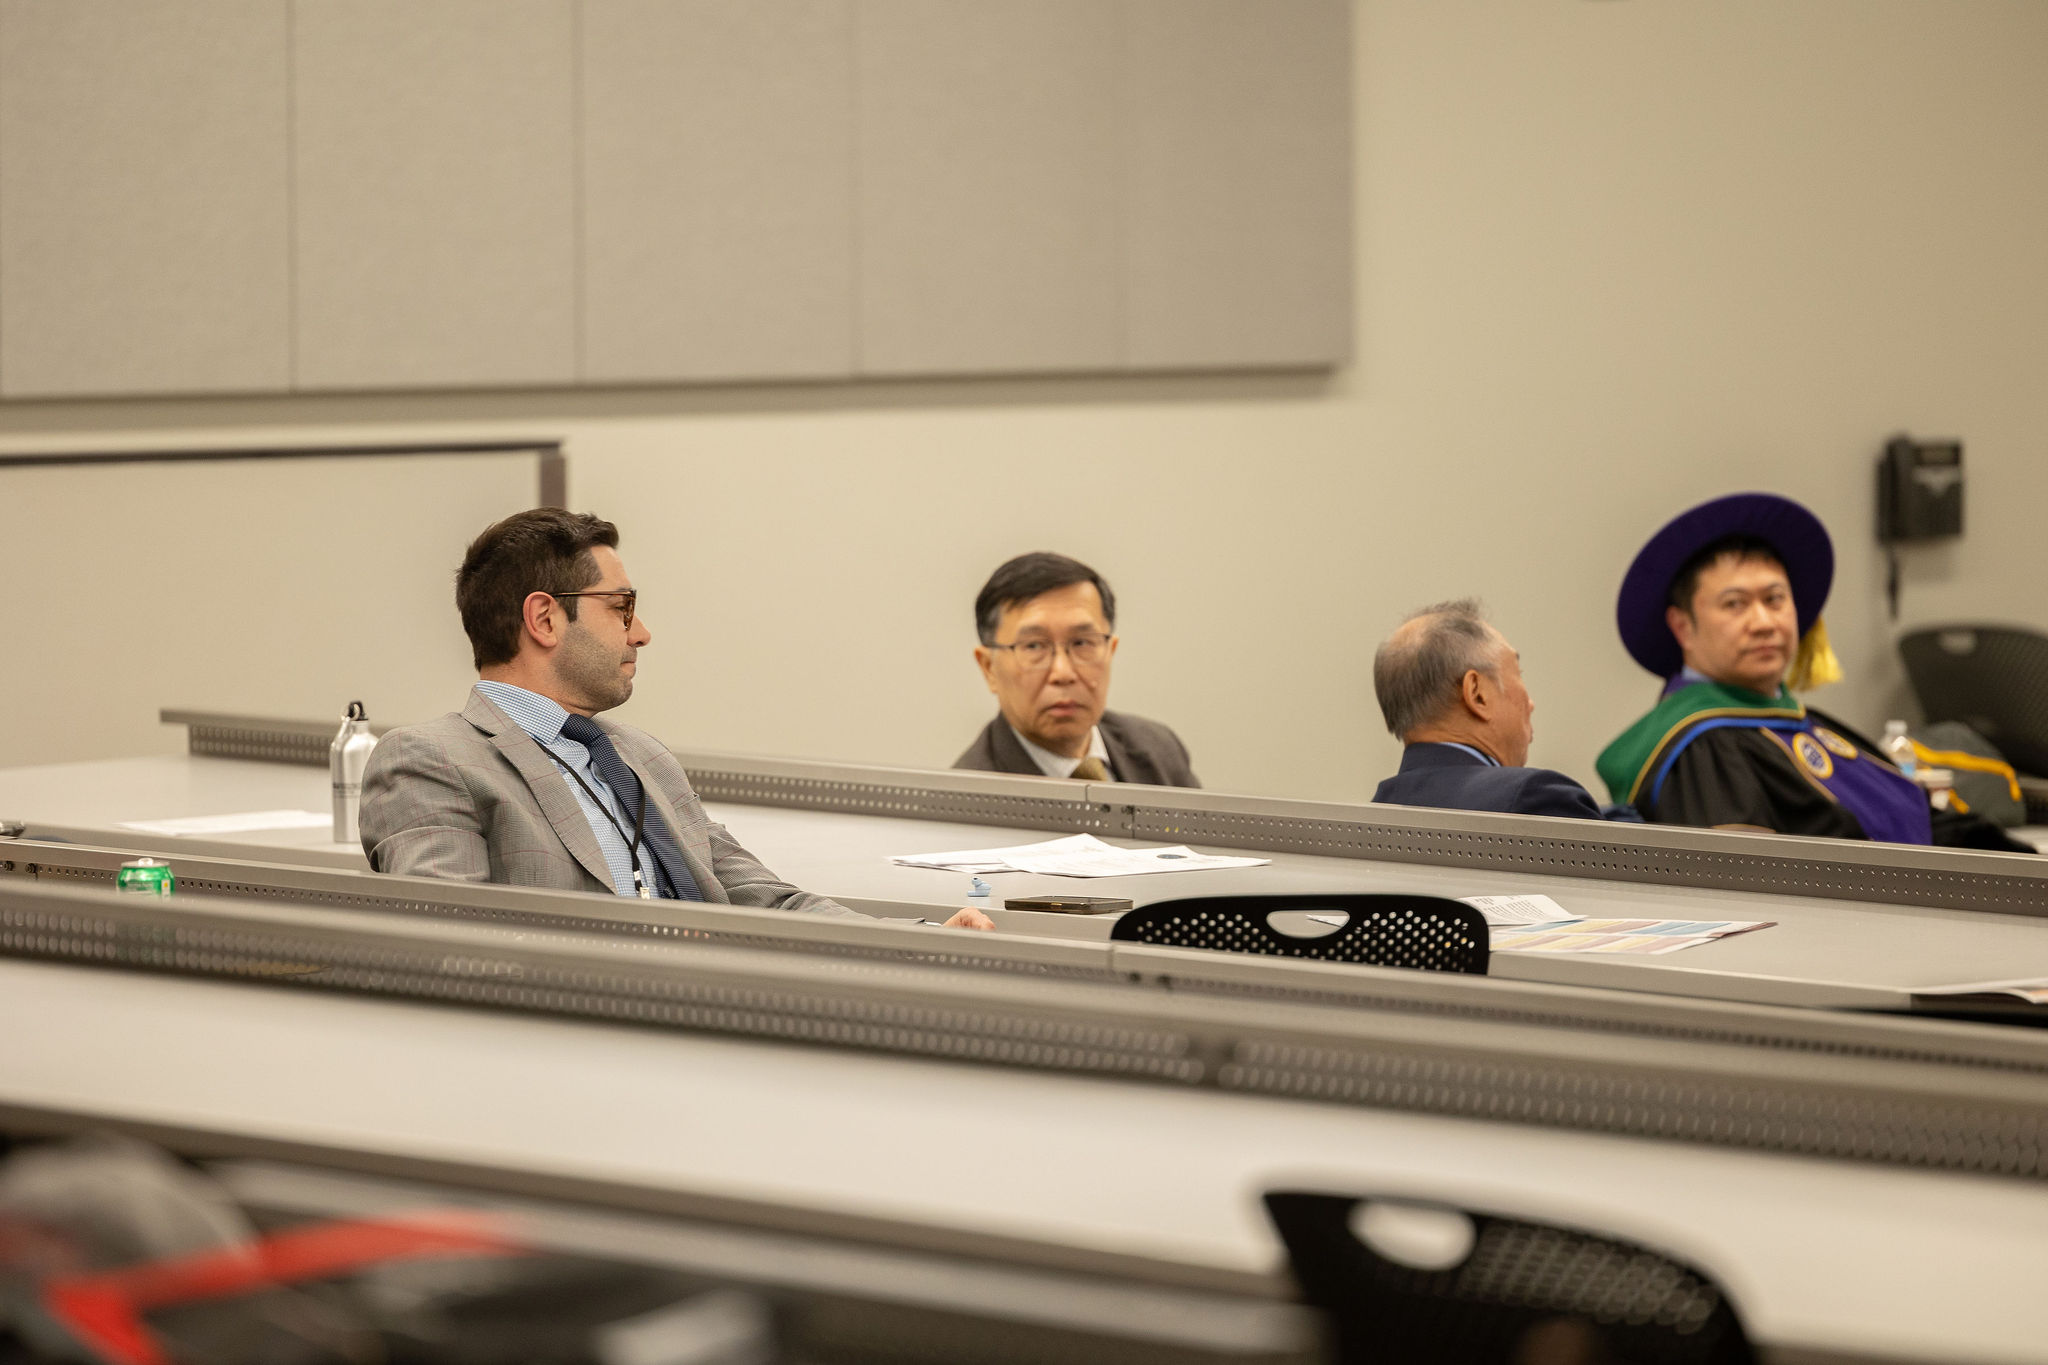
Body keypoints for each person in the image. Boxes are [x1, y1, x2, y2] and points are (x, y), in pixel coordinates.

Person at [360, 509, 996, 928]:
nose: (641, 632)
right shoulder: (433, 761)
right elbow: (446, 948)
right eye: (621, 607)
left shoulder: (639, 755)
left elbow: (764, 900)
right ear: (545, 619)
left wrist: (917, 943)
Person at [1595, 493, 2030, 851]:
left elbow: (1930, 824)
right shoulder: (1702, 747)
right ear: (1682, 627)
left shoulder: (1801, 724)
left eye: (1774, 599)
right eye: (1735, 604)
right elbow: (1745, 885)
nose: (1763, 622)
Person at [954, 552, 1198, 787]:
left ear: (1110, 651)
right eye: (1034, 646)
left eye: (1081, 643)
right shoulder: (968, 798)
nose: (1063, 673)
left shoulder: (1159, 750)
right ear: (988, 668)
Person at [1372, 600, 1621, 820]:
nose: (1530, 704)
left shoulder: (1373, 815)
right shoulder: (1534, 799)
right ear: (1477, 694)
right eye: (1518, 673)